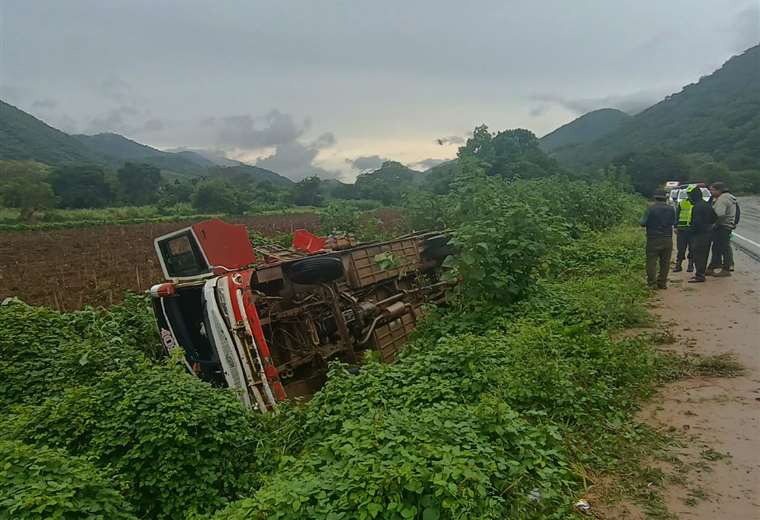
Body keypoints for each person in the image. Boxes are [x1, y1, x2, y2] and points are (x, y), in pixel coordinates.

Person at [639, 192, 676, 289]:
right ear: (666, 198)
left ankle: (652, 283)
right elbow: (673, 222)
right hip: (667, 238)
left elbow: (642, 222)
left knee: (651, 261)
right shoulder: (671, 209)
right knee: (665, 262)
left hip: (653, 238)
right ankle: (662, 283)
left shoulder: (650, 209)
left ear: (655, 198)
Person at [706, 182, 737, 277]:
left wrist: (715, 224)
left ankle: (726, 268)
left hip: (722, 226)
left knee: (724, 247)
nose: (710, 192)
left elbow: (720, 214)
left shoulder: (722, 199)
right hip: (726, 225)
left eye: (712, 190)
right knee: (717, 247)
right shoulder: (729, 197)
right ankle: (714, 265)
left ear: (718, 190)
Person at [688, 187, 717, 283]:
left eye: (690, 197)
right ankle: (700, 274)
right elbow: (715, 217)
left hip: (699, 234)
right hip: (707, 233)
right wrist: (709, 226)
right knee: (703, 255)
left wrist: (692, 231)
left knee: (698, 255)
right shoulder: (706, 205)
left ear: (694, 196)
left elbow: (696, 222)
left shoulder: (697, 207)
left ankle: (700, 276)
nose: (689, 199)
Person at [673, 184, 697, 272]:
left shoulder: (698, 203)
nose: (689, 195)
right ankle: (678, 265)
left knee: (693, 248)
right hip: (682, 229)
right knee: (681, 248)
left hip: (693, 229)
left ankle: (691, 265)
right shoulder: (682, 203)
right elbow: (677, 215)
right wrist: (675, 226)